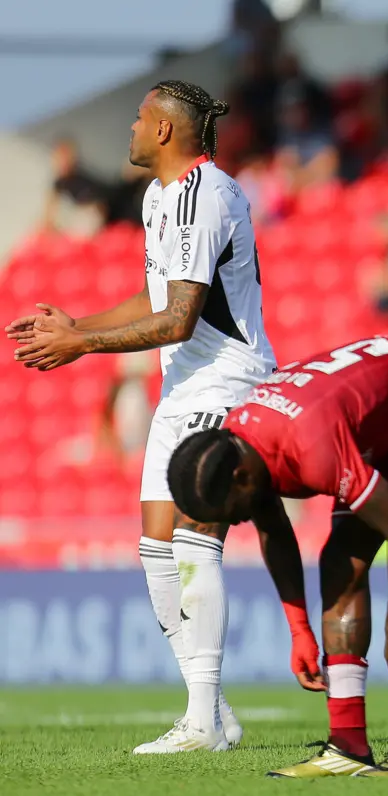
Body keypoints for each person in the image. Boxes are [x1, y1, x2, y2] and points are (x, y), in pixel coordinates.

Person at [7, 80, 275, 753]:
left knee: (191, 541)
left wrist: (82, 345)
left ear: (163, 131)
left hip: (225, 382)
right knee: (156, 551)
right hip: (180, 389)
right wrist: (79, 328)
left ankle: (203, 722)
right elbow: (156, 295)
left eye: (137, 118)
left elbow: (181, 319)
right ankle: (212, 712)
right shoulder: (161, 197)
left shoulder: (204, 193)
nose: (128, 128)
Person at [166, 334, 388, 778]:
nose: (237, 522)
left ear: (242, 478)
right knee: (340, 559)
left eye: (229, 513)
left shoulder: (309, 449)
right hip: (384, 412)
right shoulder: (242, 447)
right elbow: (275, 532)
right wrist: (300, 632)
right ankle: (348, 747)